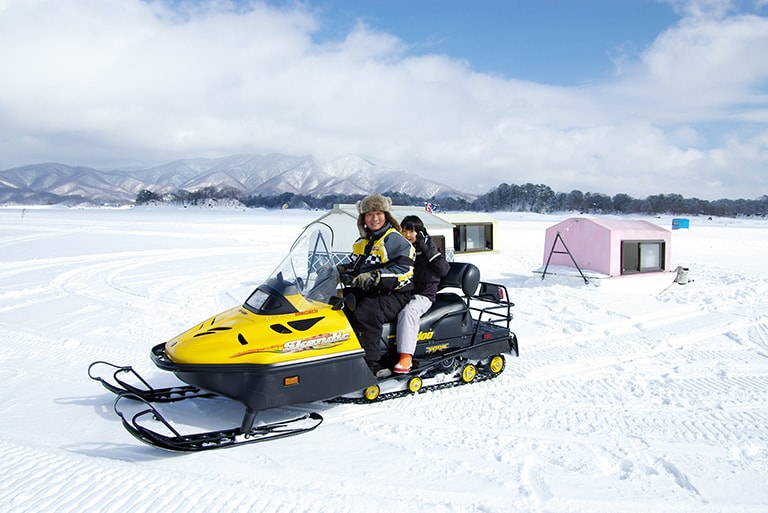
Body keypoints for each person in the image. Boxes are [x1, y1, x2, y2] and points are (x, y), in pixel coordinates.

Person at [343, 194, 415, 376]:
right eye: (369, 214)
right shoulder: (363, 242)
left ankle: (373, 363)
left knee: (365, 310)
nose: (374, 218)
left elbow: (404, 270)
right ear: (363, 219)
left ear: (386, 215)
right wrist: (335, 269)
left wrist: (376, 276)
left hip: (396, 293)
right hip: (371, 291)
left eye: (378, 213)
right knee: (340, 306)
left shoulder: (394, 240)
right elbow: (354, 264)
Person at [393, 215, 451, 373]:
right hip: (404, 291)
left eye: (412, 231)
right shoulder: (402, 249)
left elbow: (444, 269)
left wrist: (428, 250)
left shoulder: (427, 248)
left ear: (419, 232)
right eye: (404, 230)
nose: (408, 235)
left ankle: (406, 357)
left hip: (424, 294)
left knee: (409, 312)